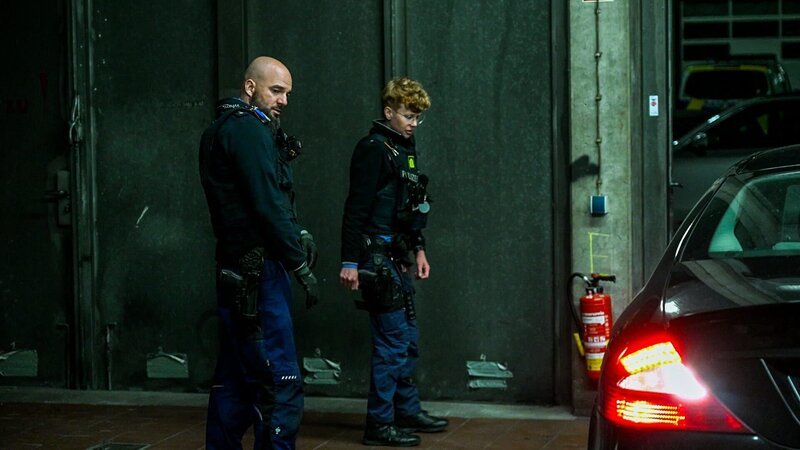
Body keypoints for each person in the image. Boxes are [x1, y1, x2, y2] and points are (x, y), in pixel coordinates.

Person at [199, 56, 319, 450]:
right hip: (259, 274)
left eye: (288, 93)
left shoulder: (223, 130)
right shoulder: (249, 130)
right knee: (278, 383)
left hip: (236, 271)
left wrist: (294, 231)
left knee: (233, 381)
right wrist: (297, 261)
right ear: (250, 88)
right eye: (276, 90)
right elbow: (265, 202)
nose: (284, 100)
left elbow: (260, 200)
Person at [339, 77, 448, 447]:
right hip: (376, 258)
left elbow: (411, 207)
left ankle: (405, 410)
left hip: (397, 257)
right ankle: (379, 424)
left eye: (418, 116)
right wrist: (350, 261)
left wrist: (418, 249)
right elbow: (355, 208)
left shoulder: (405, 148)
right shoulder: (373, 149)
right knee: (391, 343)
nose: (413, 122)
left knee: (407, 340)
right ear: (389, 112)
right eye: (407, 115)